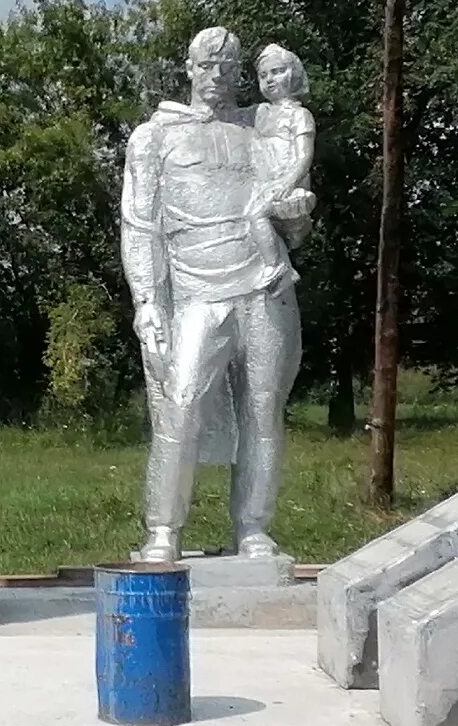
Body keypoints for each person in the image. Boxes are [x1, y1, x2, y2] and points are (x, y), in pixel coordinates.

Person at [118, 29, 315, 563]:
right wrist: (147, 302)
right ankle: (163, 529)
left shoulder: (262, 130)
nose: (217, 76)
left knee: (264, 411)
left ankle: (252, 527)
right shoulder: (155, 136)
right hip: (195, 291)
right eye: (207, 65)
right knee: (179, 406)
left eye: (227, 66)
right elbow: (139, 226)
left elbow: (290, 222)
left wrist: (296, 217)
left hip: (264, 286)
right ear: (188, 67)